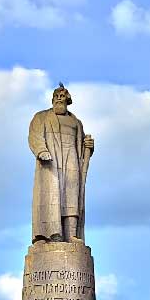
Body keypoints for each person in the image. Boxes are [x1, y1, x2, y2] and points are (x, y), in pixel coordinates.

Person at [28, 83, 95, 244]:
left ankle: (71, 234)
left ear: (68, 100)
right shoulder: (41, 117)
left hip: (71, 160)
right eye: (56, 96)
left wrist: (89, 148)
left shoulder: (76, 122)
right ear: (52, 100)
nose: (59, 99)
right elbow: (34, 135)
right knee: (49, 196)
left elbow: (82, 148)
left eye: (62, 96)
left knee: (72, 196)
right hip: (50, 161)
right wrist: (41, 150)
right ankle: (47, 235)